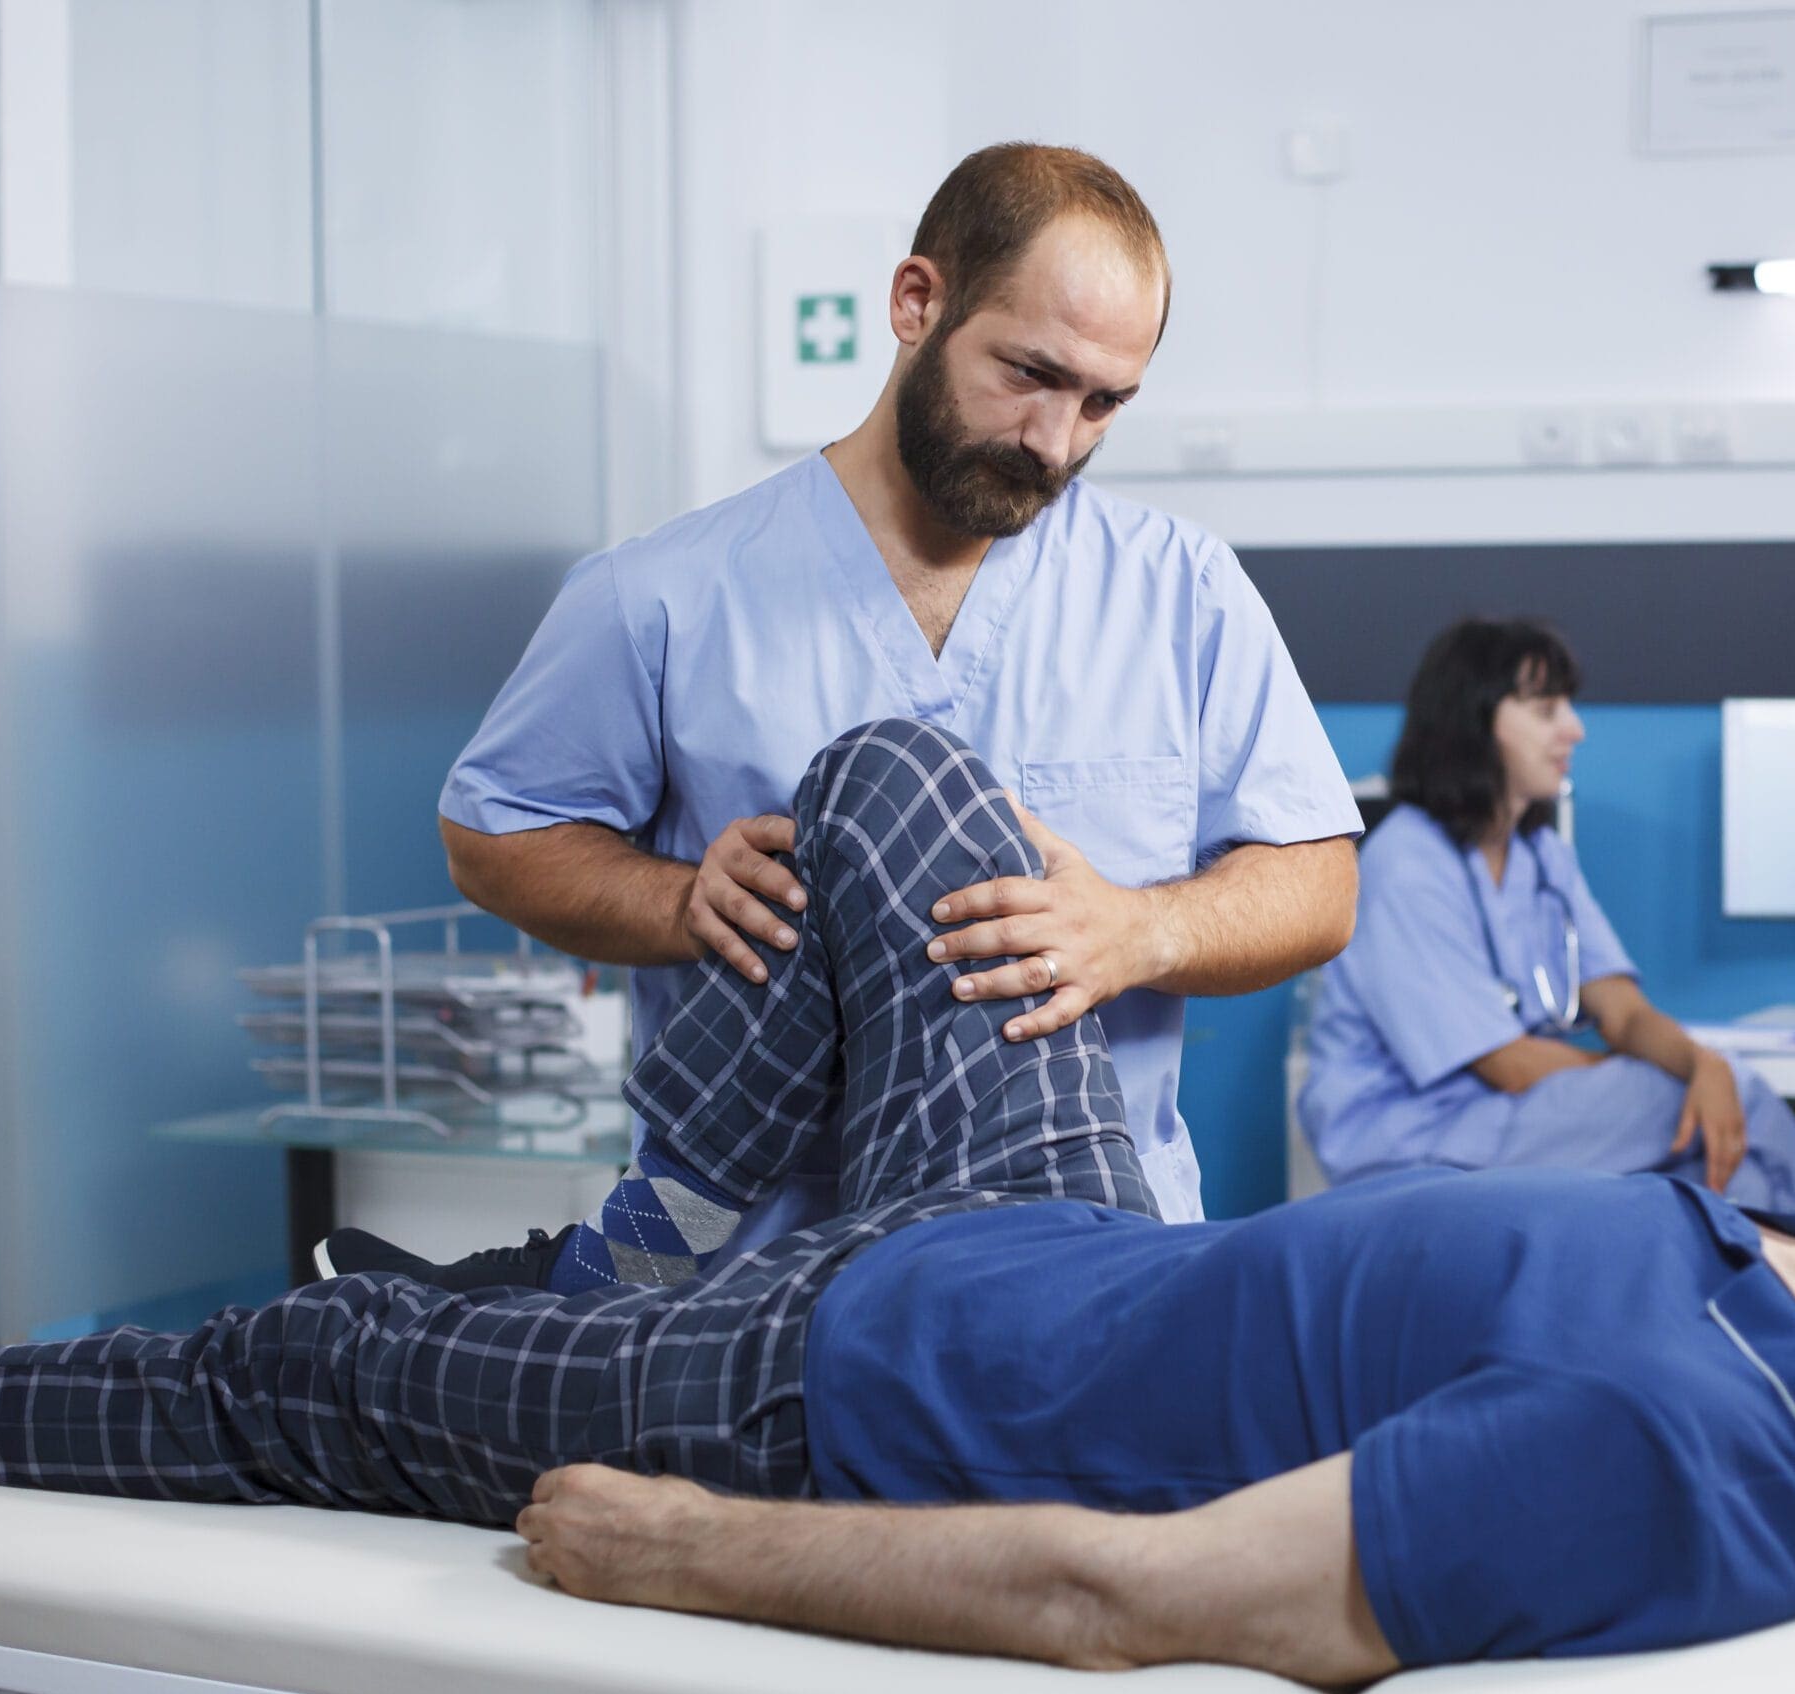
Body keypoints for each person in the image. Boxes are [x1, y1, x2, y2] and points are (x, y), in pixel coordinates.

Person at [0, 720, 1795, 1684]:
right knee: (896, 781)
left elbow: (1119, 1590)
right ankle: (657, 1212)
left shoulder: (1660, 1441)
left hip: (824, 1381)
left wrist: (677, 1541)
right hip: (1043, 1222)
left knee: (295, 1367)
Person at [338, 143, 1360, 1293]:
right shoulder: (664, 596)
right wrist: (682, 902)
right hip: (747, 1286)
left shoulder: (1181, 593)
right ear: (916, 302)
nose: (1055, 441)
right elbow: (495, 840)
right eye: (1028, 372)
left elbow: (1317, 881)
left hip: (1095, 1273)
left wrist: (1141, 931)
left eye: (1105, 402)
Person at [1300, 618, 1795, 1212]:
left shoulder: (1543, 859)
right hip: (1411, 1139)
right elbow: (1507, 1062)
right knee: (1706, 1107)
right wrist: (1659, 1080)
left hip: (1510, 1120)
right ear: (1473, 721)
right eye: (1546, 710)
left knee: (1712, 1132)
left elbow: (1625, 1013)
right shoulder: (1406, 865)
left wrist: (1699, 1063)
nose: (1575, 730)